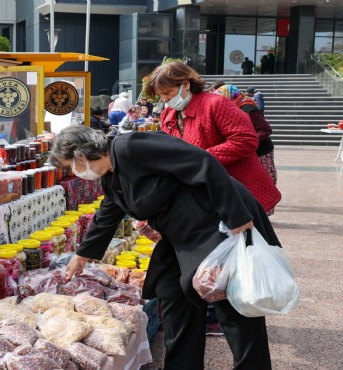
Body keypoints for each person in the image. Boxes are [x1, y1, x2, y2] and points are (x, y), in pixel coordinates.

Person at [52, 125, 278, 370]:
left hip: (216, 221)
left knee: (228, 298)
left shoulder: (129, 146)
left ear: (81, 156)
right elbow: (109, 211)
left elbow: (203, 162)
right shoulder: (111, 175)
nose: (75, 172)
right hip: (181, 233)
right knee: (172, 290)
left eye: (70, 165)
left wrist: (235, 215)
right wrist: (82, 255)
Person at [144, 62, 281, 214]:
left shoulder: (216, 104)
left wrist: (201, 158)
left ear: (185, 84)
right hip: (203, 191)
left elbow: (245, 140)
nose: (165, 100)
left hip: (236, 188)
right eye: (161, 96)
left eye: (168, 93)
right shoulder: (168, 114)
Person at [214, 85, 277, 191]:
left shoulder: (248, 108)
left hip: (261, 151)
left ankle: (266, 205)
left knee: (265, 181)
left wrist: (247, 141)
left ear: (229, 96)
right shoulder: (235, 108)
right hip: (249, 150)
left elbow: (265, 129)